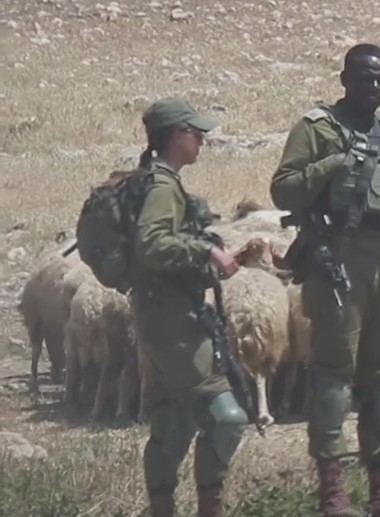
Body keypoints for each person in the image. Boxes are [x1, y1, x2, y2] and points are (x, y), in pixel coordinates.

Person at [270, 43, 380, 517]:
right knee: (333, 375)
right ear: (344, 79)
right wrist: (333, 164)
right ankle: (333, 495)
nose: (375, 87)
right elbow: (282, 189)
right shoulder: (318, 128)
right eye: (365, 78)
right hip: (339, 260)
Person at [130, 96, 248, 517]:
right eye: (196, 133)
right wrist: (206, 251)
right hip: (173, 321)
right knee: (227, 417)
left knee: (173, 418)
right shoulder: (162, 186)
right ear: (176, 136)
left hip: (161, 315)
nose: (202, 141)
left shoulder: (155, 180)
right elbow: (151, 244)